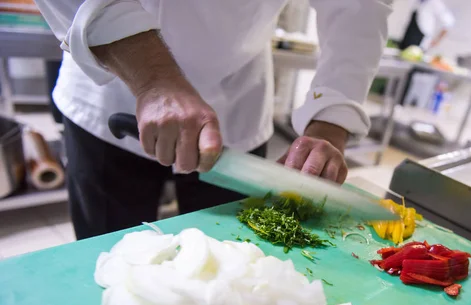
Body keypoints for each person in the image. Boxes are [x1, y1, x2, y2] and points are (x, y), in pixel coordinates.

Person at [34, 1, 393, 239]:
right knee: (108, 252)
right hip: (114, 91)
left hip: (237, 103)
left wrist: (331, 118)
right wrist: (153, 79)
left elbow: (359, 5)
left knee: (228, 258)